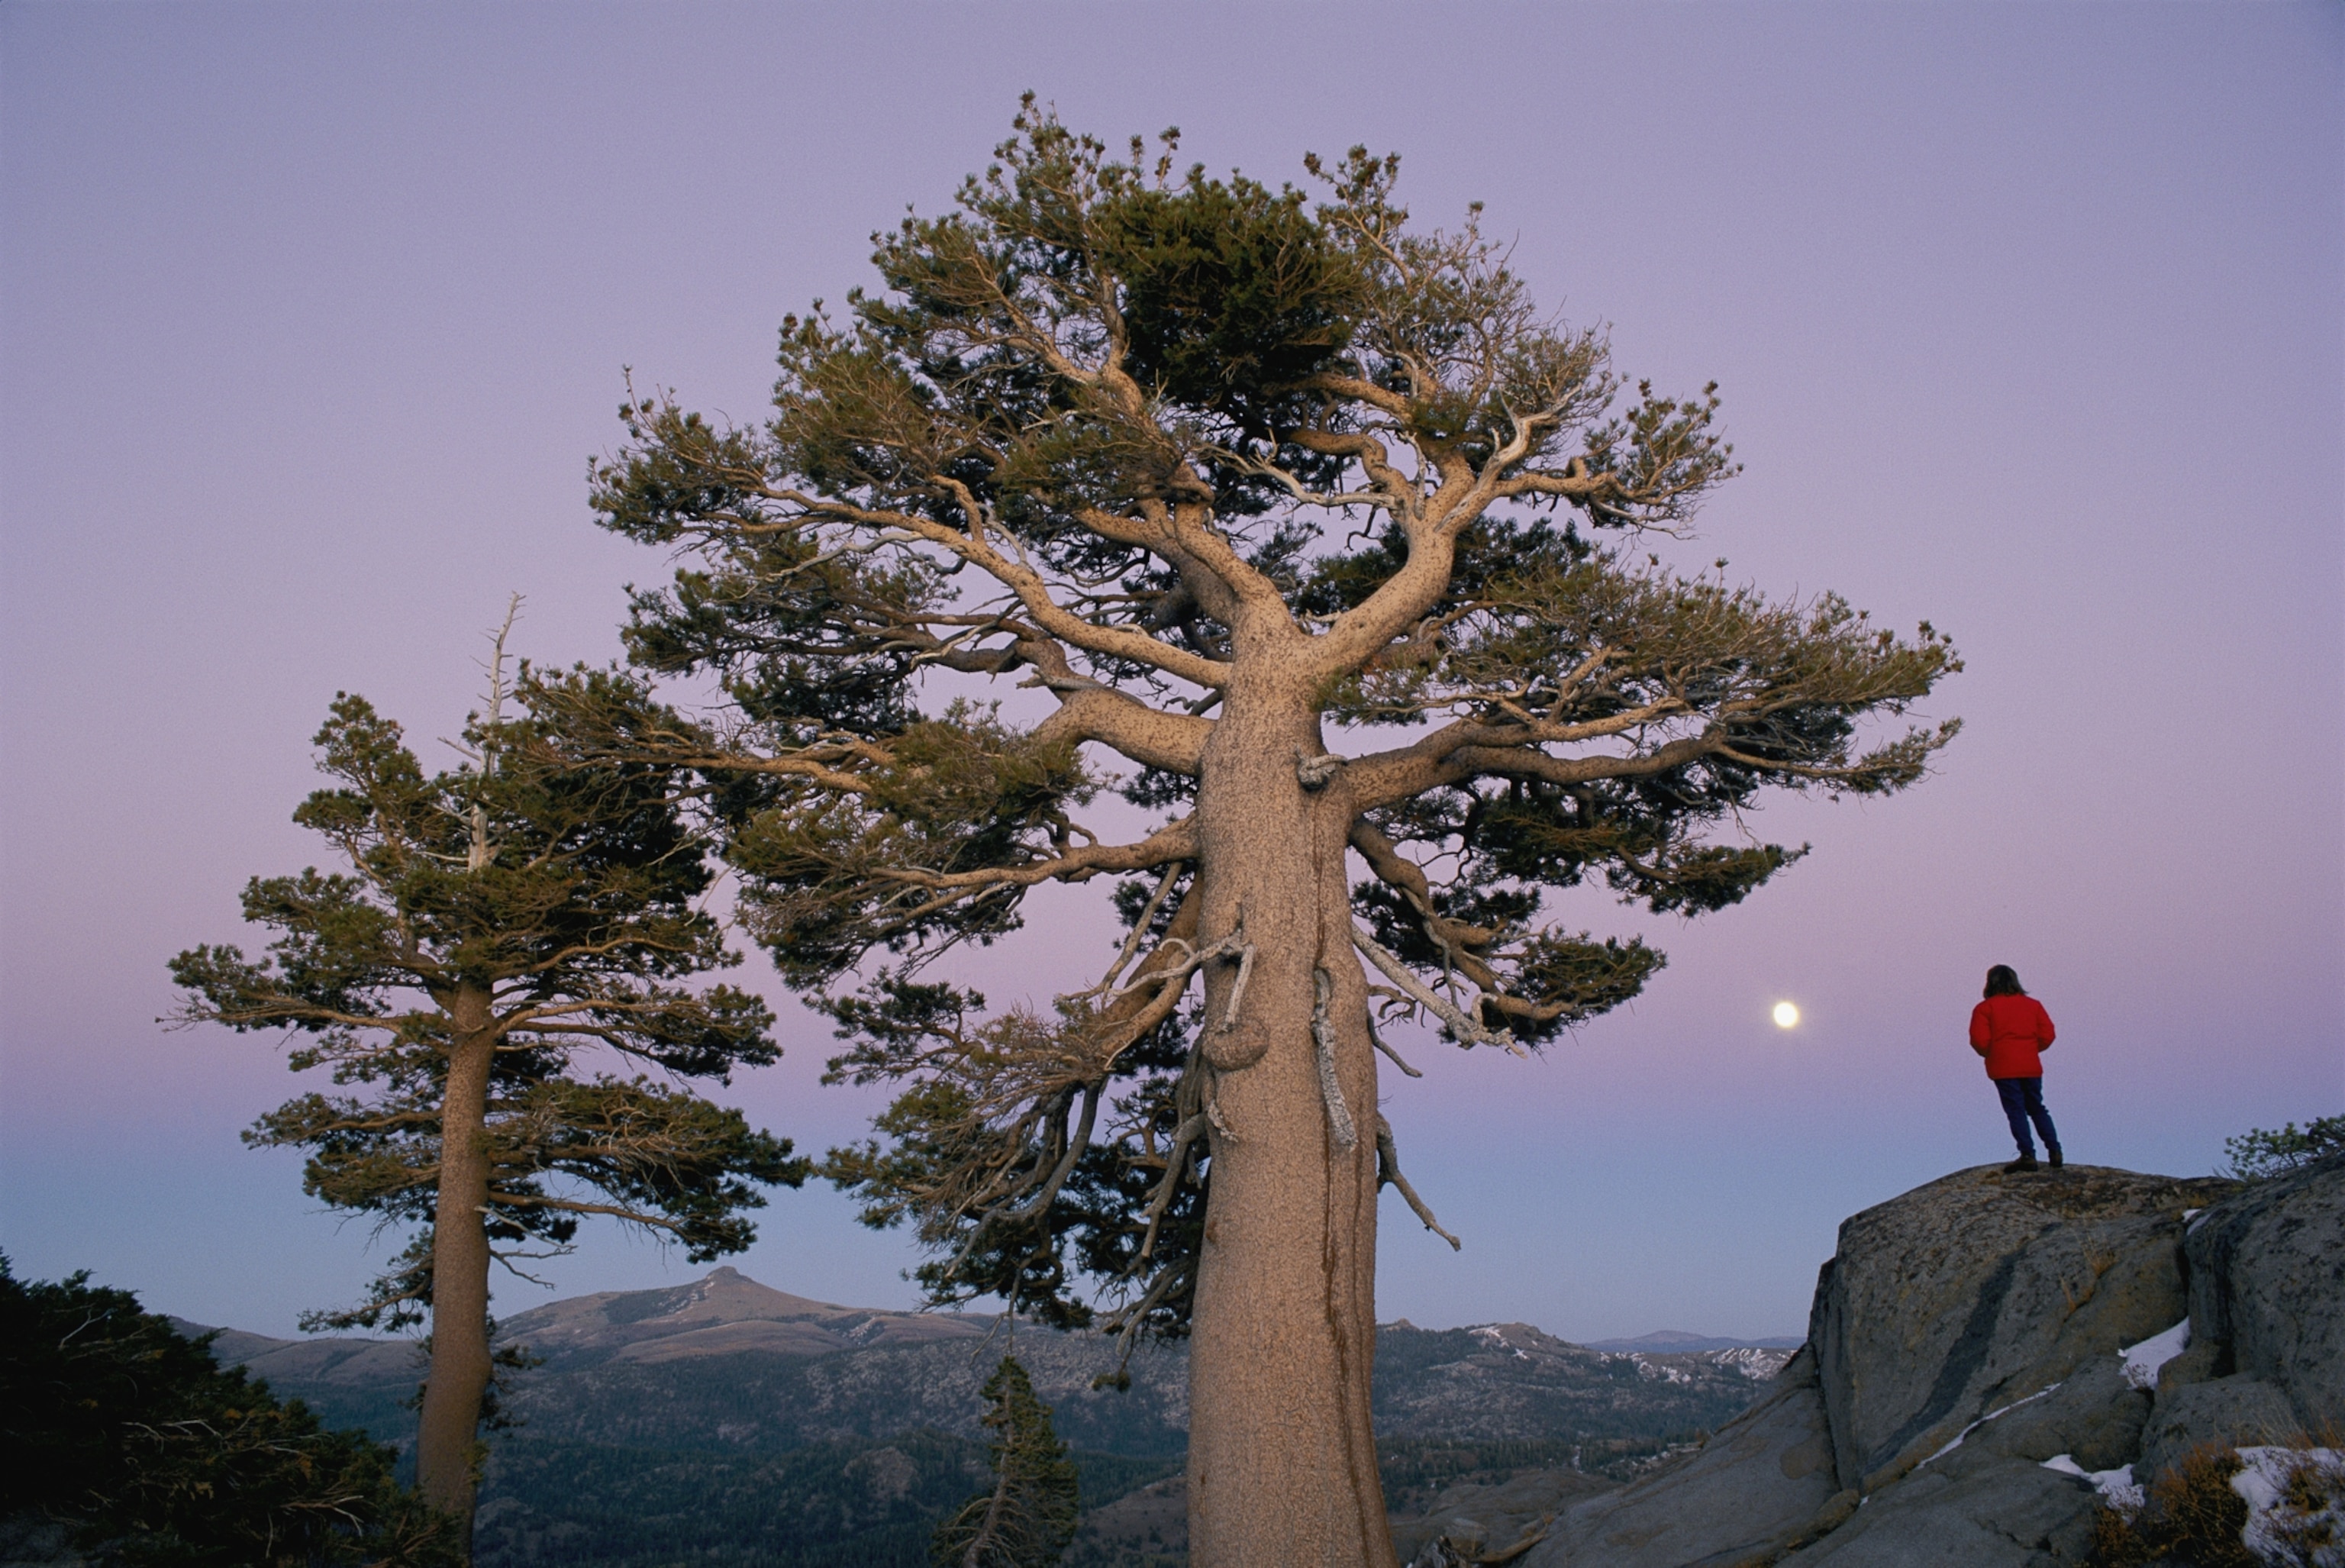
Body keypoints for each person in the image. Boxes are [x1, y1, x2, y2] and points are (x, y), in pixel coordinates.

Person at [1970, 965, 2061, 1173]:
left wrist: (1992, 1052)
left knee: (2016, 1110)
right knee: (2037, 1107)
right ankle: (2055, 1150)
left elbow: (1979, 1040)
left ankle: (2028, 1154)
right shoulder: (2033, 1006)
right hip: (2030, 1064)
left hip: (2003, 1066)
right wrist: (2031, 1048)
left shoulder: (1985, 1009)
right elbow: (2048, 1034)